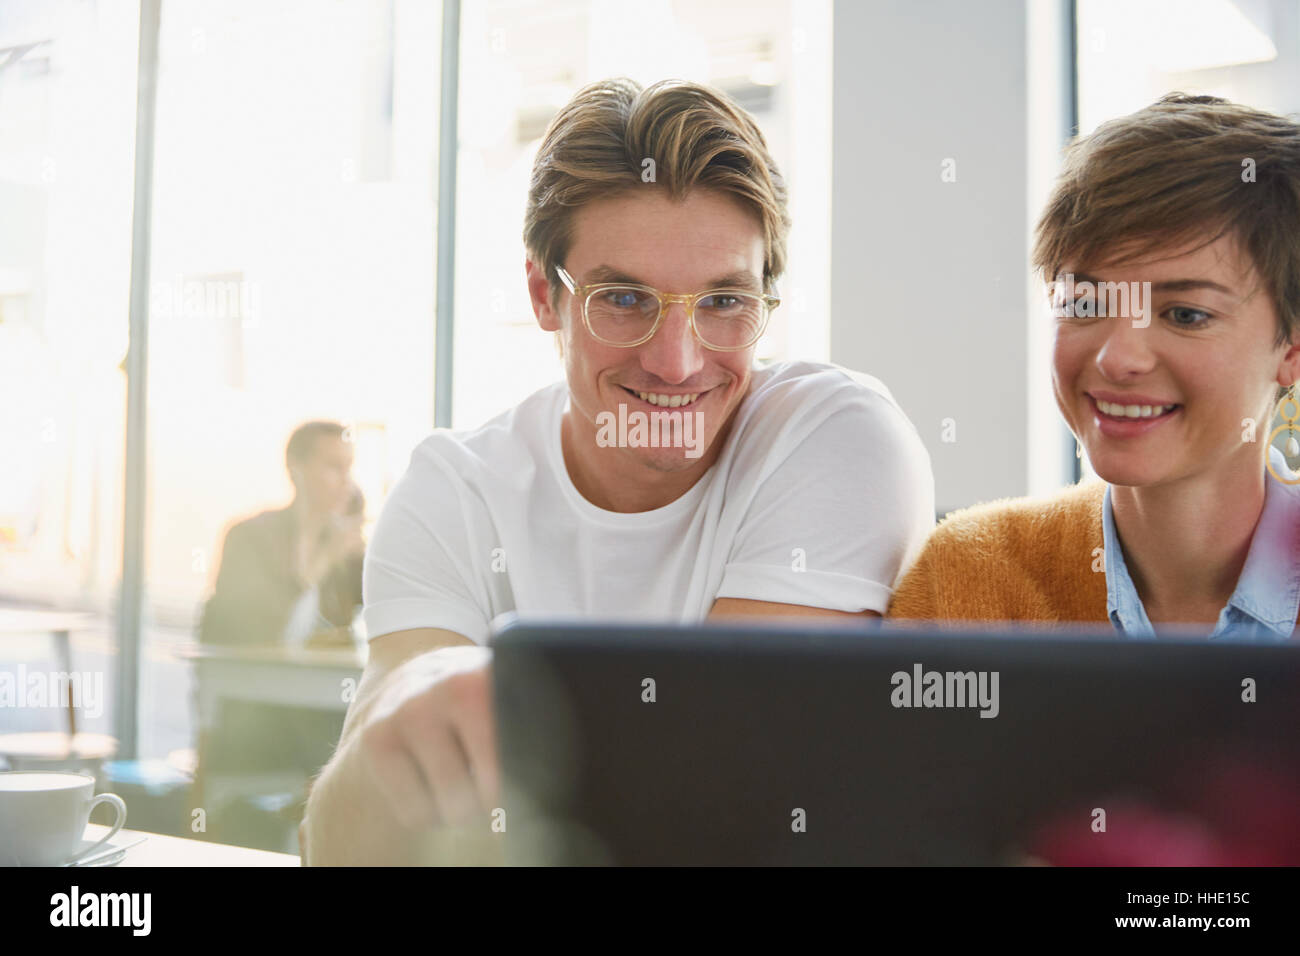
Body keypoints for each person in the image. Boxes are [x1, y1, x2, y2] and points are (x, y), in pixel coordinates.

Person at [302, 77, 935, 864]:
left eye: (724, 302)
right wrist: (401, 724)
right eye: (626, 299)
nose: (678, 362)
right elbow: (339, 845)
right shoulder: (452, 490)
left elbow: (721, 810)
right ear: (544, 294)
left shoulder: (836, 439)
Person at [889, 93, 1300, 637]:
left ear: (1291, 350)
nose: (1117, 358)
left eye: (1184, 314)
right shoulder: (967, 579)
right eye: (1085, 304)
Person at [199, 421, 365, 647]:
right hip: (254, 676)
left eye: (349, 469)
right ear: (295, 468)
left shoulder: (348, 551)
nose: (347, 482)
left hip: (317, 680)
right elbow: (253, 629)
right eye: (334, 467)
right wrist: (324, 560)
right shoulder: (249, 538)